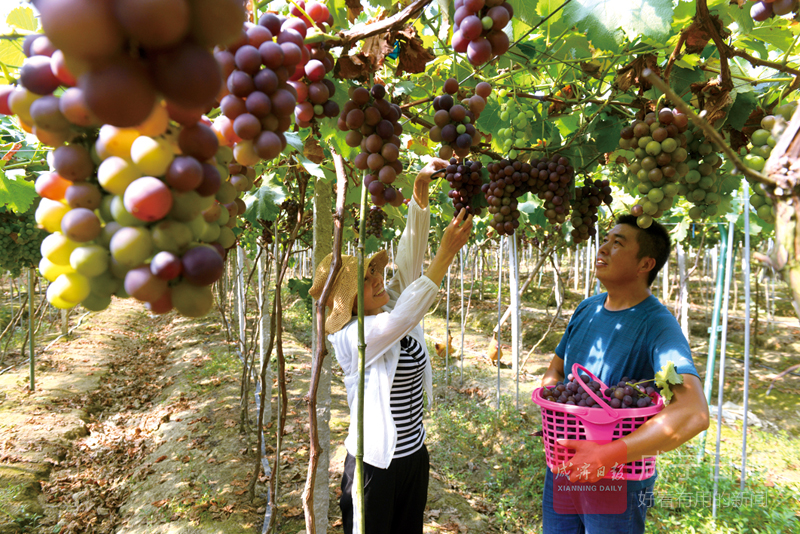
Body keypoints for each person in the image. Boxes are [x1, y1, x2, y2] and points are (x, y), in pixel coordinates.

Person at [309, 158, 473, 534]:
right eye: (367, 281)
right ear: (348, 303)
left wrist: (419, 193)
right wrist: (445, 254)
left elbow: (409, 259)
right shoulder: (353, 337)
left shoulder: (386, 302)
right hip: (373, 466)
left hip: (413, 457)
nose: (379, 280)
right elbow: (404, 319)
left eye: (375, 273)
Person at [540, 214, 710, 534]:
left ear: (645, 264)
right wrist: (552, 414)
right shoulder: (586, 308)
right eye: (606, 239)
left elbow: (694, 412)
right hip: (563, 470)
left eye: (617, 243)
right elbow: (557, 369)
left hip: (616, 482)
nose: (603, 247)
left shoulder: (657, 325)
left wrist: (609, 454)